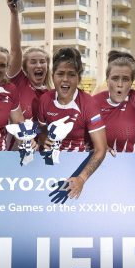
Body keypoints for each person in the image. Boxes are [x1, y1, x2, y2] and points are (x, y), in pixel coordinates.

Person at [37, 47, 107, 199]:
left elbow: (101, 149)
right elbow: (41, 131)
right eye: (60, 74)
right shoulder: (44, 100)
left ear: (79, 78)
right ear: (53, 76)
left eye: (71, 75)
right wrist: (42, 138)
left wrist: (81, 179)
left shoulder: (89, 103)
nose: (65, 79)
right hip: (52, 167)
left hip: (80, 168)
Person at [93, 48, 135, 154]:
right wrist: (101, 147)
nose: (120, 84)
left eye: (125, 79)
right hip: (103, 166)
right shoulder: (94, 102)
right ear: (107, 80)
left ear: (131, 82)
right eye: (115, 78)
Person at [7, 0, 50, 121]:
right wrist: (14, 14)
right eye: (33, 62)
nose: (38, 65)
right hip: (14, 140)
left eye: (42, 62)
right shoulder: (19, 81)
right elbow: (15, 49)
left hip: (39, 141)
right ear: (24, 68)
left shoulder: (51, 93)